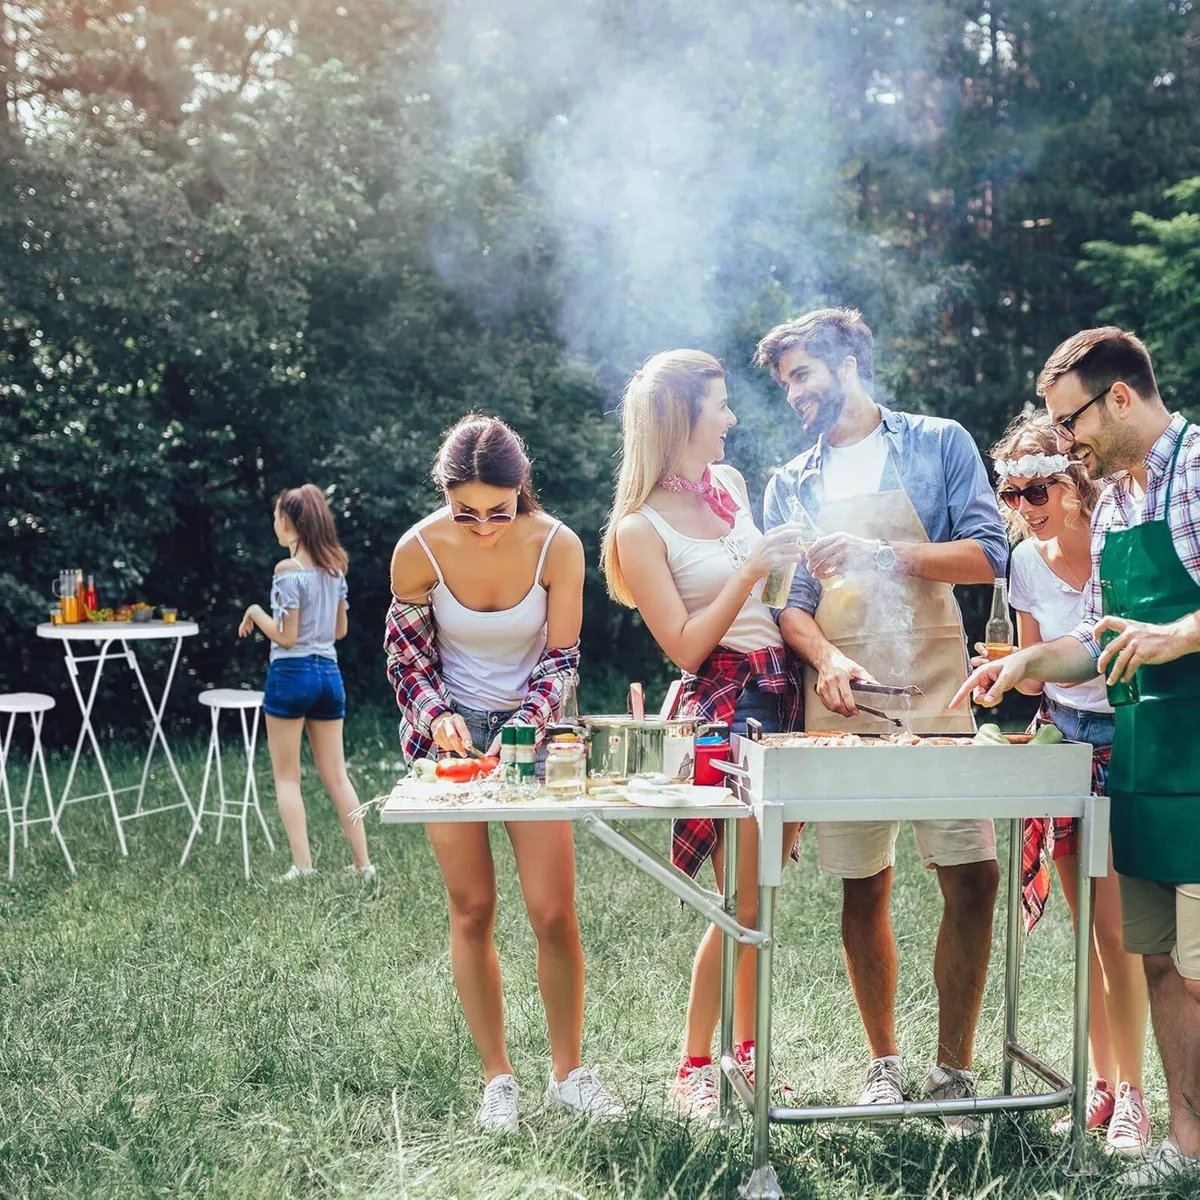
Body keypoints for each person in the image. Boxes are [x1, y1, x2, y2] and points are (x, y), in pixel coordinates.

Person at [954, 327, 1200, 1185]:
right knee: (1163, 960)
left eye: (1071, 422)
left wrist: (1176, 636)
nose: (1067, 444)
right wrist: (1027, 662)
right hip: (1143, 766)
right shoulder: (1124, 502)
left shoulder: (1198, 467)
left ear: (1122, 397)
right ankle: (1186, 1149)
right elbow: (1093, 641)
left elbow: (1166, 632)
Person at [756, 307, 1007, 1134]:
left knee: (973, 876)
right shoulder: (789, 480)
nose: (793, 393)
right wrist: (827, 660)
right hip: (847, 698)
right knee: (864, 885)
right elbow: (790, 607)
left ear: (849, 359)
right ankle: (883, 1067)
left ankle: (954, 1076)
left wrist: (880, 555)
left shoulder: (938, 442)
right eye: (784, 380)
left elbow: (988, 554)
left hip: (938, 684)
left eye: (802, 374)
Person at [384, 414, 623, 1134]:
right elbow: (406, 659)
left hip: (537, 735)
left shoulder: (559, 546)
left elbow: (561, 657)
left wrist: (529, 720)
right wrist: (435, 716)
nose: (484, 526)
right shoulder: (416, 550)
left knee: (552, 912)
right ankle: (498, 1081)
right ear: (445, 496)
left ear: (524, 490)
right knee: (473, 911)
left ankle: (569, 1074)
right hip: (448, 740)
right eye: (467, 512)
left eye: (500, 509)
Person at [601, 349, 806, 1123]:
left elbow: (765, 600)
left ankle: (744, 1053)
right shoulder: (637, 529)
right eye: (718, 406)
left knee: (760, 899)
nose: (730, 418)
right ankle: (696, 1065)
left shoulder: (731, 487)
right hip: (723, 703)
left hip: (780, 691)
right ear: (681, 417)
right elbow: (685, 646)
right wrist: (752, 571)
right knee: (742, 902)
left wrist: (786, 573)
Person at [989, 411, 1150, 1154]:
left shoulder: (1121, 541)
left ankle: (1137, 1099)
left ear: (1075, 478)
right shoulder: (1023, 564)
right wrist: (1001, 682)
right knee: (1087, 930)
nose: (1026, 505)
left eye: (1039, 487)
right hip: (1064, 740)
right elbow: (1033, 675)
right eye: (1013, 493)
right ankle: (1099, 1085)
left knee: (1118, 932)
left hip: (1127, 733)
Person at [237, 484, 373, 881]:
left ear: (292, 522)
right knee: (337, 775)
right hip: (329, 676)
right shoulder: (335, 570)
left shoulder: (287, 572)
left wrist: (255, 611)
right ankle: (363, 865)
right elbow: (340, 629)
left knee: (287, 776)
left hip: (291, 675)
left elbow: (286, 636)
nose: (275, 524)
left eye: (278, 516)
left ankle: (304, 867)